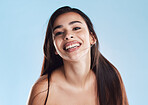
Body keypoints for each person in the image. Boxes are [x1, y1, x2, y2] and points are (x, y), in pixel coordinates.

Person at [27, 6, 129, 105]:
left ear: (92, 37)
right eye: (58, 33)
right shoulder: (43, 91)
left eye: (76, 28)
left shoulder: (111, 79)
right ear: (54, 48)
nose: (68, 35)